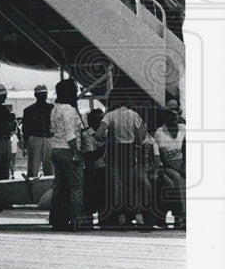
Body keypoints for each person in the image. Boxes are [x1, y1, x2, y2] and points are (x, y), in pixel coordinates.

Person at [94, 94, 147, 229]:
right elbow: (141, 137)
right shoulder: (134, 115)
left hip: (114, 153)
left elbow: (98, 134)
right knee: (132, 186)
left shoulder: (110, 115)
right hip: (129, 152)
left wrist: (107, 139)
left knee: (117, 186)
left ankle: (121, 217)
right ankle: (138, 217)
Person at [48, 78, 89, 231]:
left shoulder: (55, 109)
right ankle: (78, 221)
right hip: (68, 150)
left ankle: (58, 220)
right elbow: (70, 134)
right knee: (76, 187)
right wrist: (76, 153)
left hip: (56, 149)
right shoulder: (70, 110)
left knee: (60, 187)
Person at [152, 107, 185, 230]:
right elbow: (164, 159)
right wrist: (182, 171)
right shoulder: (160, 132)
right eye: (170, 114)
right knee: (177, 178)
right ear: (165, 117)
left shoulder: (183, 128)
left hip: (180, 162)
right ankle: (180, 216)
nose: (174, 117)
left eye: (176, 114)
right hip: (166, 166)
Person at [22, 85, 54, 177]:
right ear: (36, 95)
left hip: (49, 138)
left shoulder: (51, 108)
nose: (44, 96)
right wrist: (25, 144)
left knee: (50, 168)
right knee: (33, 167)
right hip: (35, 139)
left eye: (45, 94)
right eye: (41, 94)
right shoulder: (29, 110)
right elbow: (25, 129)